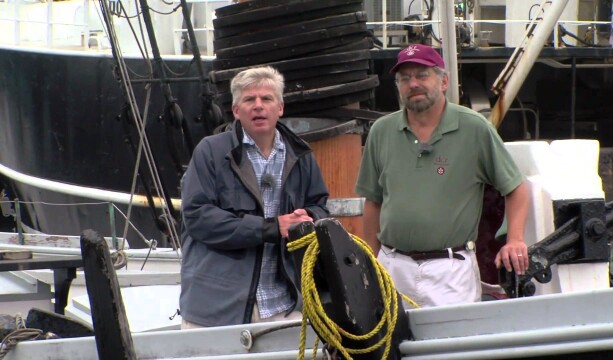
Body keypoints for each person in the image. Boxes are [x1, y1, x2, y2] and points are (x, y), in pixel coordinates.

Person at [355, 44, 530, 307]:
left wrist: (515, 239)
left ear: (444, 80)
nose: (413, 84)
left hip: (450, 272)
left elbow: (516, 189)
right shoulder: (381, 132)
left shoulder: (475, 129)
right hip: (392, 267)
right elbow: (374, 202)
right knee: (388, 347)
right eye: (405, 78)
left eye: (422, 75)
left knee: (451, 344)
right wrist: (370, 262)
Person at [179, 66, 329, 328]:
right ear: (236, 111)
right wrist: (271, 228)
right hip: (217, 311)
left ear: (280, 107)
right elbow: (198, 217)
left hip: (285, 305)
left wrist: (308, 218)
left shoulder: (302, 156)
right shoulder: (210, 152)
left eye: (267, 99)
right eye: (249, 100)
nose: (258, 106)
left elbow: (320, 206)